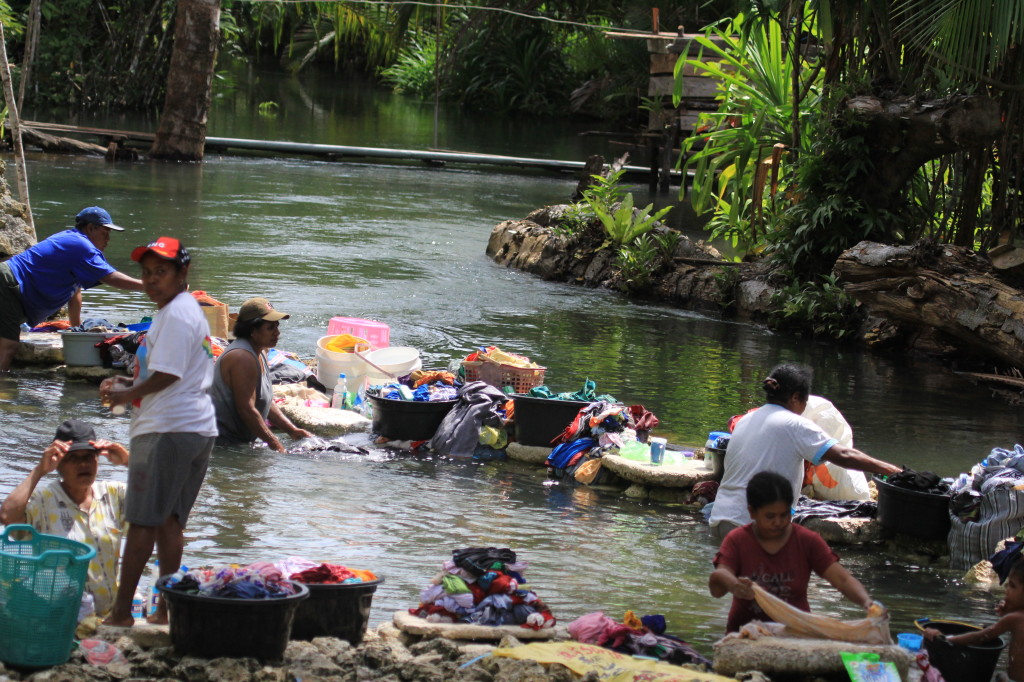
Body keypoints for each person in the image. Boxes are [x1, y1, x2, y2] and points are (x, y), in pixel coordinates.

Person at [98, 236, 216, 627]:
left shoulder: (176, 315)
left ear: (183, 273)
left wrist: (128, 393)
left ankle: (120, 614)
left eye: (161, 272)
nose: (151, 280)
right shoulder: (182, 311)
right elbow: (162, 371)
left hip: (168, 428)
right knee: (169, 522)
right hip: (194, 427)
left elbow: (168, 374)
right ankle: (165, 608)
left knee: (144, 521)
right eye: (146, 273)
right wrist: (128, 383)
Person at [708, 363, 901, 541]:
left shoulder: (745, 421)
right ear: (795, 397)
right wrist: (894, 472)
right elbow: (844, 455)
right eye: (805, 402)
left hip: (720, 520)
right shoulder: (795, 424)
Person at [709, 471, 878, 633]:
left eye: (784, 515)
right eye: (770, 516)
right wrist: (734, 585)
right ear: (752, 512)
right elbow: (720, 576)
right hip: (745, 633)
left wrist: (868, 604)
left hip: (796, 634)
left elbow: (842, 579)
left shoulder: (807, 541)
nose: (778, 522)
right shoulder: (738, 540)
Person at [0, 419, 130, 619]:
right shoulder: (43, 501)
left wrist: (130, 462)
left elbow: (164, 508)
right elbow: (7, 515)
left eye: (89, 456)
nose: (83, 464)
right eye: (72, 458)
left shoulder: (113, 494)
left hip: (106, 616)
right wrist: (39, 471)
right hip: (58, 618)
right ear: (58, 463)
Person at [0, 207, 144, 371]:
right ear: (90, 228)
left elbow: (75, 293)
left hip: (9, 285)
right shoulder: (81, 245)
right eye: (105, 232)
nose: (108, 239)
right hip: (9, 285)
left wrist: (77, 330)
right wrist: (150, 286)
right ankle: (4, 390)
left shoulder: (73, 243)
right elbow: (110, 277)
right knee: (8, 345)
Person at [211, 297, 312, 451]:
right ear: (252, 330)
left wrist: (292, 430)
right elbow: (246, 409)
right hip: (222, 445)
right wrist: (275, 444)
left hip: (240, 441)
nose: (277, 333)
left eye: (277, 326)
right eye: (270, 328)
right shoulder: (242, 357)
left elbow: (264, 401)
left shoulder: (261, 351)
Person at [924, 557, 1024, 682]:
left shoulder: (1015, 618)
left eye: (1012, 586)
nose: (1007, 590)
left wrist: (945, 639)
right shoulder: (1015, 617)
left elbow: (980, 637)